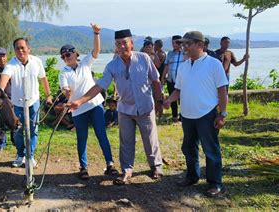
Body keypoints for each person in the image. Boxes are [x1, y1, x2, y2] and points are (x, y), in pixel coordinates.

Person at [69, 29, 164, 185]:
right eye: (118, 44)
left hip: (145, 107)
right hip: (125, 109)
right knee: (126, 141)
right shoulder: (112, 66)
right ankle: (127, 170)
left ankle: (156, 166)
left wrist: (159, 100)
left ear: (131, 43)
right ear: (115, 46)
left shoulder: (144, 58)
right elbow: (100, 85)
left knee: (150, 139)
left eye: (124, 43)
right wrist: (79, 101)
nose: (121, 46)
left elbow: (156, 80)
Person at [163, 31, 229, 197]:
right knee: (189, 147)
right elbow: (178, 90)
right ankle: (192, 176)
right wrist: (168, 100)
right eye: (183, 44)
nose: (184, 47)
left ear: (200, 45)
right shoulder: (184, 66)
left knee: (211, 149)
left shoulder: (214, 64)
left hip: (207, 114)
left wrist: (222, 114)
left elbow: (222, 90)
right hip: (187, 115)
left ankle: (215, 182)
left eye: (188, 44)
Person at [59, 23, 118, 180]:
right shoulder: (63, 73)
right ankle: (83, 167)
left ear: (75, 53)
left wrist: (96, 33)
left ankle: (110, 164)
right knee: (82, 138)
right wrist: (67, 92)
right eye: (63, 56)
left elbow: (96, 51)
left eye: (68, 54)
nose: (66, 57)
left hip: (95, 104)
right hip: (78, 109)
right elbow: (65, 89)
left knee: (101, 134)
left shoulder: (85, 63)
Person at [0, 38, 53, 167]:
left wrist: (48, 95)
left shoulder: (36, 61)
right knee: (17, 131)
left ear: (28, 49)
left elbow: (43, 79)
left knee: (34, 130)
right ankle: (20, 155)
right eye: (17, 48)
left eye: (23, 47)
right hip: (17, 104)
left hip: (34, 102)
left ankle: (30, 156)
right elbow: (4, 78)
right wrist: (0, 91)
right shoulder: (11, 65)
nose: (20, 50)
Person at [161, 35, 187, 123]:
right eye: (172, 43)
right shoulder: (170, 54)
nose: (174, 44)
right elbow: (166, 66)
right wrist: (163, 77)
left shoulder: (186, 53)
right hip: (171, 80)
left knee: (182, 99)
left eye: (176, 42)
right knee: (172, 99)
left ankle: (183, 116)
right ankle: (175, 116)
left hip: (182, 81)